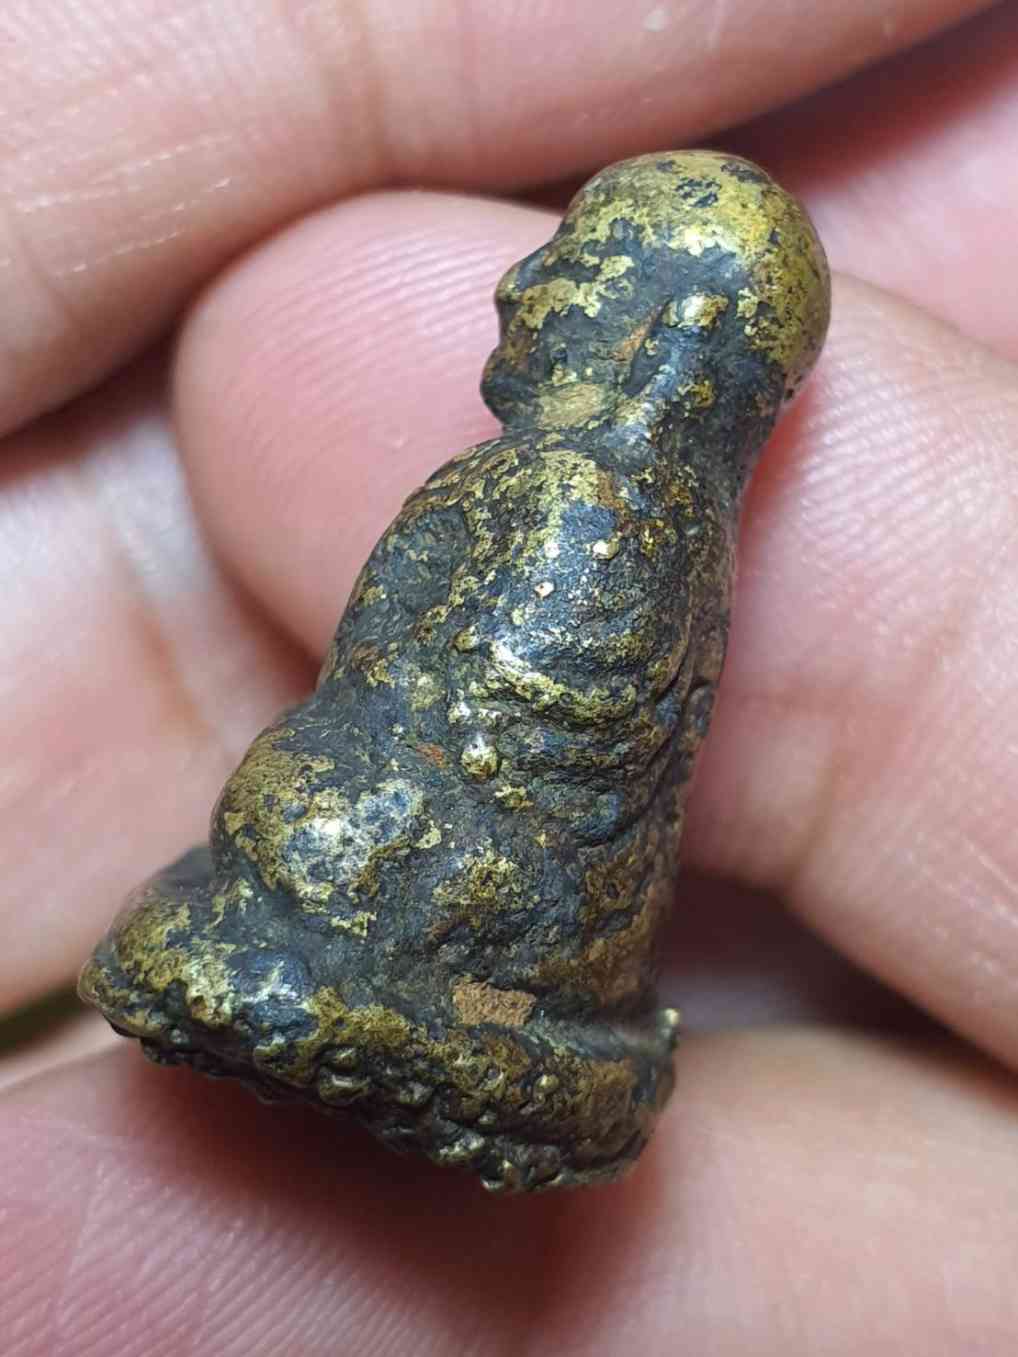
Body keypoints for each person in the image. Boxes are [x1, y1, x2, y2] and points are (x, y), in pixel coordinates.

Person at [1, 1, 1015, 1351]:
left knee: (305, 807)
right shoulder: (637, 513)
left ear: (662, 335)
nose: (518, 287)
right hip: (523, 902)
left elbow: (466, 727)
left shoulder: (579, 495)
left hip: (475, 895)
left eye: (572, 266)